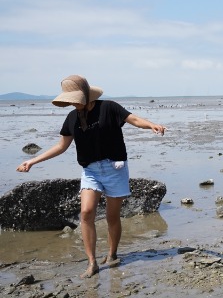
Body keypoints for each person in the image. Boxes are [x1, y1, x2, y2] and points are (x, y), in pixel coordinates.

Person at [16, 75, 166, 279]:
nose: (72, 103)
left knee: (113, 217)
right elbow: (61, 146)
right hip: (90, 171)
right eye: (70, 100)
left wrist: (151, 125)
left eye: (75, 99)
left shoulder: (109, 108)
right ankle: (92, 263)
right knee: (86, 213)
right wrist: (32, 161)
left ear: (86, 96)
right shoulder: (71, 118)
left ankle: (112, 254)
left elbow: (134, 119)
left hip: (115, 168)